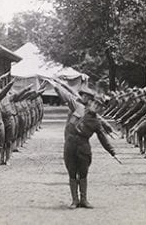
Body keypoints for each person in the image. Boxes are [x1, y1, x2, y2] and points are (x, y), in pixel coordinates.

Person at [49, 80, 120, 209]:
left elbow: (103, 138)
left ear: (101, 110)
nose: (96, 107)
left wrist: (112, 152)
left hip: (83, 148)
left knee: (83, 173)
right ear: (91, 103)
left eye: (99, 107)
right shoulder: (78, 107)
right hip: (70, 145)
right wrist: (56, 87)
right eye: (95, 104)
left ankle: (84, 200)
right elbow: (66, 97)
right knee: (71, 172)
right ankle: (74, 200)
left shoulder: (97, 122)